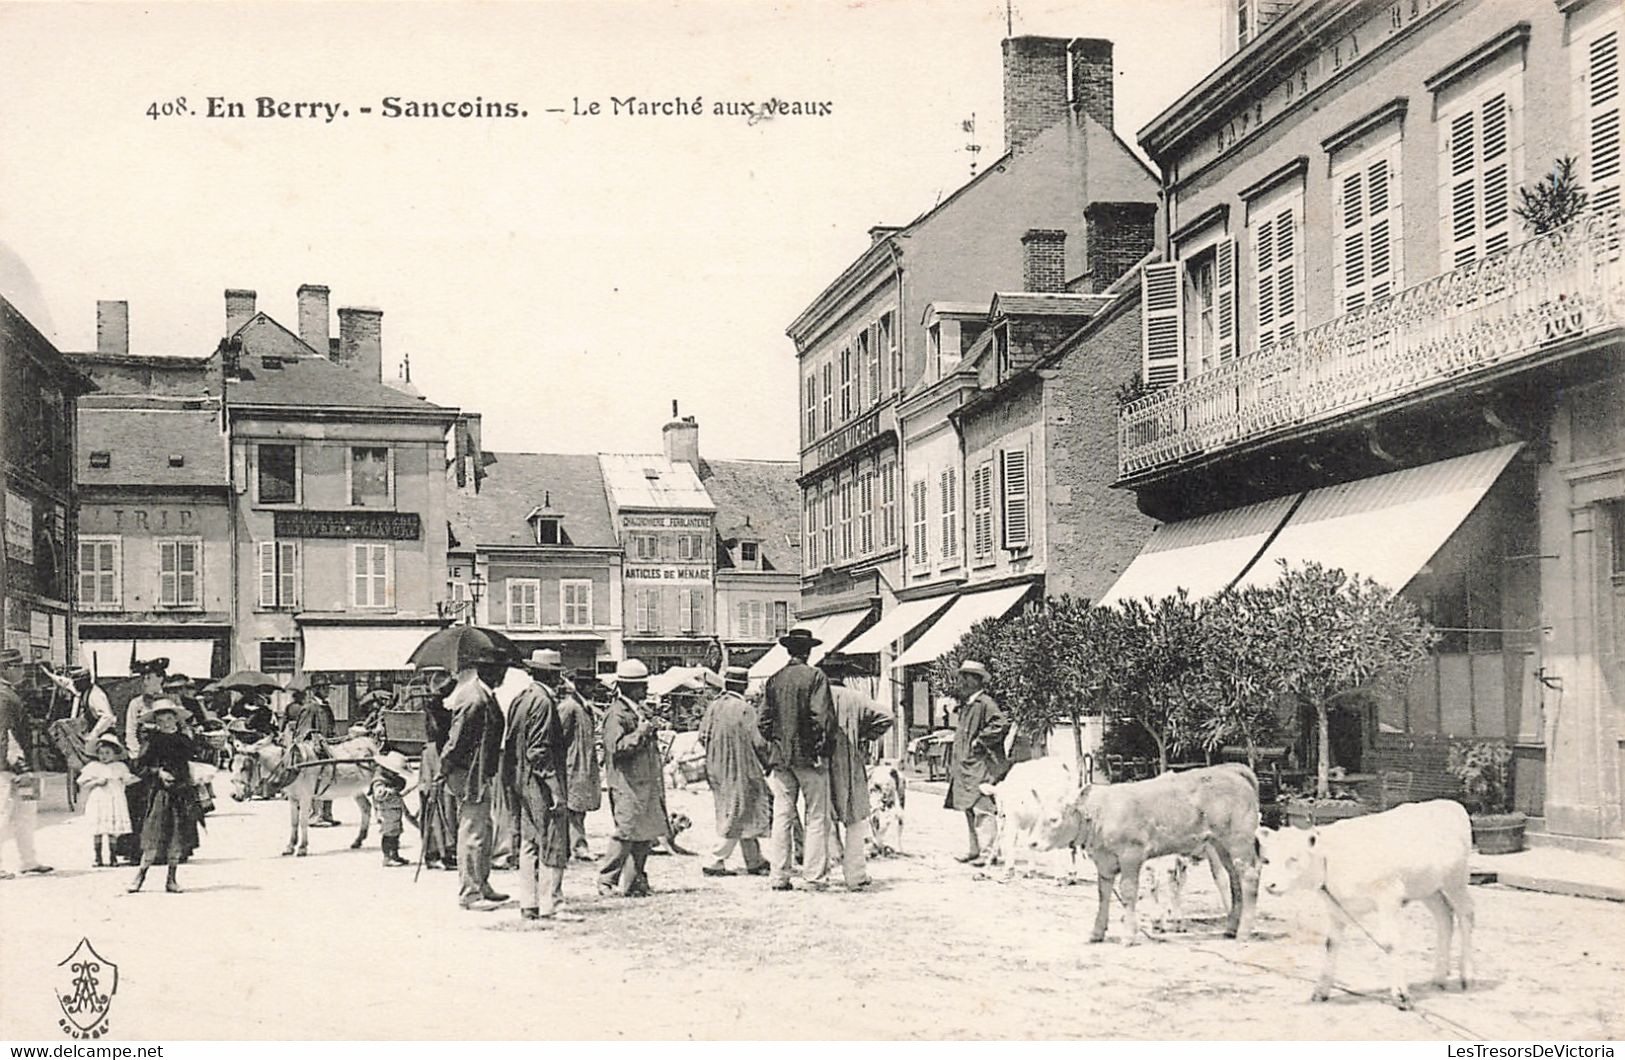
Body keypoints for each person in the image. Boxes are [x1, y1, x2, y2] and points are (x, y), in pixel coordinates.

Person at [503, 649, 582, 921]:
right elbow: (539, 752)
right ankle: (552, 904)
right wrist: (556, 790)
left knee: (529, 841)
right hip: (540, 781)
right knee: (553, 840)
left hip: (520, 779)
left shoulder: (521, 699)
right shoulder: (544, 703)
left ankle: (529, 902)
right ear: (554, 675)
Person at [759, 627, 837, 892]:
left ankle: (779, 875)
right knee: (816, 815)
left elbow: (763, 722)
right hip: (809, 756)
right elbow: (821, 719)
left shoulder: (774, 679)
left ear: (789, 650)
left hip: (781, 758)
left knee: (783, 815)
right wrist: (820, 750)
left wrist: (778, 742)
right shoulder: (816, 677)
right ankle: (814, 876)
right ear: (809, 651)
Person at [441, 653, 511, 910]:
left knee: (484, 829)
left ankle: (482, 884)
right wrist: (446, 768)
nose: (503, 676)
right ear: (488, 672)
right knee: (473, 833)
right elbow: (457, 741)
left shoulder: (484, 695)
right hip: (469, 773)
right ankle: (470, 892)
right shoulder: (475, 698)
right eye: (500, 671)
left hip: (480, 772)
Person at [597, 659, 669, 898]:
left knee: (645, 833)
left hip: (645, 781)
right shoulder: (616, 714)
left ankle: (636, 880)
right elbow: (616, 748)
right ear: (627, 687)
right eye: (641, 685)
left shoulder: (637, 710)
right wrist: (641, 732)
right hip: (626, 782)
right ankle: (607, 879)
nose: (646, 689)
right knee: (626, 832)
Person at [823, 654, 894, 891]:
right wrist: (865, 734)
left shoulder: (816, 697)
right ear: (844, 674)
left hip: (821, 762)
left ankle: (824, 869)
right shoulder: (856, 698)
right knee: (854, 818)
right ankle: (855, 875)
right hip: (850, 760)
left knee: (822, 816)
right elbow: (886, 716)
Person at [697, 666, 771, 877]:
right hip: (740, 768)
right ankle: (715, 860)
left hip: (715, 768)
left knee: (738, 810)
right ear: (744, 685)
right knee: (737, 812)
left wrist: (716, 753)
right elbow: (758, 742)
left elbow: (702, 736)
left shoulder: (714, 706)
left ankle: (754, 860)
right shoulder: (744, 709)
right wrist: (768, 762)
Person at [128, 699, 201, 893]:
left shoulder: (184, 740)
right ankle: (140, 876)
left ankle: (171, 879)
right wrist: (157, 772)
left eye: (170, 719)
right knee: (153, 836)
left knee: (177, 838)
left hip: (182, 792)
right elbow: (138, 766)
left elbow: (194, 757)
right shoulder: (153, 741)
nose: (167, 723)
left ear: (176, 720)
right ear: (156, 723)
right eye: (161, 720)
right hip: (161, 793)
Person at [945, 660, 1010, 866]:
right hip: (966, 766)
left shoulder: (985, 703)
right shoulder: (967, 705)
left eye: (967, 677)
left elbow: (1001, 723)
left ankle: (988, 852)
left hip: (981, 766)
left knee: (982, 808)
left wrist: (980, 741)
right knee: (968, 808)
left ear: (977, 680)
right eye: (962, 676)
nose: (962, 681)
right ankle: (974, 849)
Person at [0, 649, 52, 879]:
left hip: (19, 764)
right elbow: (4, 732)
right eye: (17, 667)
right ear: (5, 669)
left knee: (26, 812)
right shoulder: (3, 695)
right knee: (2, 813)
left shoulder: (9, 692)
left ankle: (29, 861)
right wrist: (16, 762)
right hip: (9, 766)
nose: (21, 671)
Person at [415, 672, 460, 871]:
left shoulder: (432, 707)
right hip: (439, 755)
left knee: (431, 803)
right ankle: (445, 852)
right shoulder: (443, 712)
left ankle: (433, 852)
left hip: (430, 755)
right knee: (443, 804)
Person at [559, 671, 601, 861]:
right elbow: (559, 735)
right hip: (573, 763)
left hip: (583, 762)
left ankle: (575, 844)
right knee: (573, 807)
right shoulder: (569, 707)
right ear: (582, 686)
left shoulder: (584, 707)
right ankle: (577, 846)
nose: (595, 689)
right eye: (591, 685)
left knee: (580, 807)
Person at [77, 734, 134, 867]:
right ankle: (98, 857)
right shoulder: (93, 766)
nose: (104, 756)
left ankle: (113, 856)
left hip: (115, 800)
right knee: (98, 829)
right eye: (101, 753)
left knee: (112, 830)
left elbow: (128, 779)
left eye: (108, 753)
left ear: (114, 754)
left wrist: (128, 780)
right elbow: (82, 783)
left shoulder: (120, 766)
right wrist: (97, 781)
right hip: (99, 800)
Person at [370, 750, 412, 867]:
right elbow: (379, 794)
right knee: (389, 834)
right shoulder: (379, 781)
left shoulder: (390, 780)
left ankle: (395, 855)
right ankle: (387, 857)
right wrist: (391, 792)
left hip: (393, 811)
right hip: (386, 812)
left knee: (395, 833)